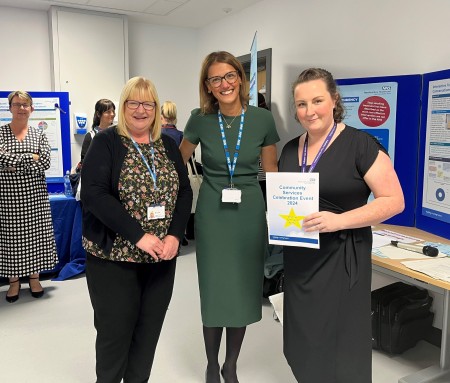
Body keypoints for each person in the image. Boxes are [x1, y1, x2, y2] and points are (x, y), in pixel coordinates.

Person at [278, 68, 405, 383]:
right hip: (301, 258)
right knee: (304, 337)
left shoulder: (360, 145)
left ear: (334, 100)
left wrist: (339, 221)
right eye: (302, 104)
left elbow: (394, 200)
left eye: (317, 100)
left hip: (341, 258)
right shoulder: (290, 149)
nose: (310, 111)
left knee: (339, 339)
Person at [81, 76, 192, 383]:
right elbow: (94, 195)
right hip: (114, 261)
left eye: (148, 103)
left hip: (159, 260)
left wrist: (173, 235)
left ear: (156, 109)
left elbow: (184, 192)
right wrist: (139, 236)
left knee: (147, 337)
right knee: (114, 338)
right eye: (134, 102)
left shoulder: (167, 145)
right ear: (123, 105)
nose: (141, 110)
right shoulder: (106, 142)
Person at [179, 51, 279, 383]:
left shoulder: (263, 119)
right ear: (207, 86)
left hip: (249, 207)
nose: (224, 84)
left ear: (240, 77)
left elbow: (273, 171)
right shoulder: (199, 119)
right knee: (215, 286)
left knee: (243, 287)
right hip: (212, 208)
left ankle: (230, 364)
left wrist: (285, 217)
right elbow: (178, 163)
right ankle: (211, 362)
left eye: (230, 76)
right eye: (215, 79)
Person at [0, 91, 57, 302]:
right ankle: (13, 282)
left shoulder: (39, 134)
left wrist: (13, 164)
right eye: (17, 104)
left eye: (25, 104)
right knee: (10, 240)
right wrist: (29, 157)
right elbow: (0, 158)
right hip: (7, 198)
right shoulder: (1, 133)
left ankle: (34, 278)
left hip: (35, 198)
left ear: (32, 108)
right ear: (10, 107)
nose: (21, 108)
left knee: (35, 237)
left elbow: (44, 163)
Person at [80, 98, 116, 164]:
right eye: (108, 112)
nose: (112, 114)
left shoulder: (117, 135)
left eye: (113, 111)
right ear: (98, 114)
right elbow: (84, 162)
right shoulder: (90, 136)